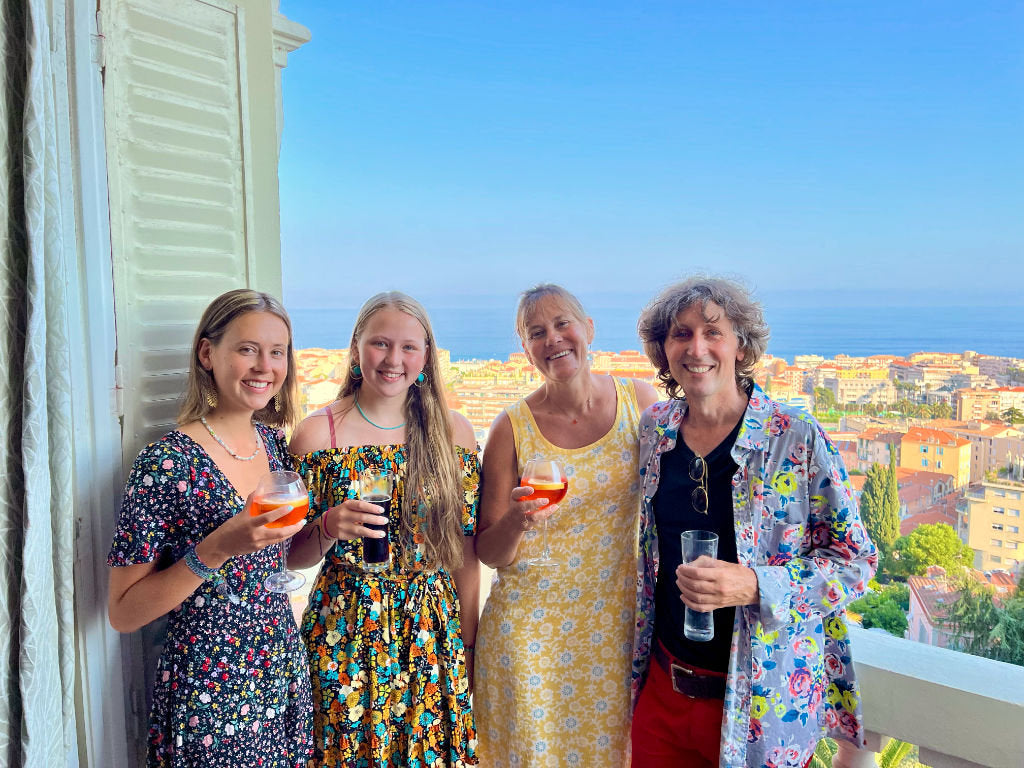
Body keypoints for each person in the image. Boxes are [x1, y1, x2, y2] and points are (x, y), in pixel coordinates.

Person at [630, 276, 878, 768]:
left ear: (741, 347)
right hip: (664, 690)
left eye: (712, 332)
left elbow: (857, 561)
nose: (696, 347)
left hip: (762, 706)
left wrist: (755, 585)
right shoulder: (655, 428)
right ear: (664, 350)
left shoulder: (795, 437)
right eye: (680, 334)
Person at [107, 289, 313, 767]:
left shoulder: (274, 446)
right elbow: (123, 612)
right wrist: (216, 549)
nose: (265, 366)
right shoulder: (165, 462)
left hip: (279, 668)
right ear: (207, 353)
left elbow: (282, 557)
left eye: (277, 352)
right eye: (247, 349)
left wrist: (324, 532)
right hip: (210, 688)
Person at [286, 291, 480, 767]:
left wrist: (469, 647)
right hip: (344, 628)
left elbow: (465, 552)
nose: (394, 360)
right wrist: (329, 526)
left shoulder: (453, 432)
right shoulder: (317, 435)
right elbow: (292, 556)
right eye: (380, 344)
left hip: (432, 632)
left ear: (427, 355)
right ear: (355, 349)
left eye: (409, 347)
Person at [475, 284, 659, 767]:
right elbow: (488, 552)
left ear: (589, 330)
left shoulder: (640, 402)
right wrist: (517, 519)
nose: (553, 339)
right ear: (526, 349)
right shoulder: (510, 427)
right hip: (527, 630)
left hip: (613, 629)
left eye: (562, 324)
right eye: (537, 332)